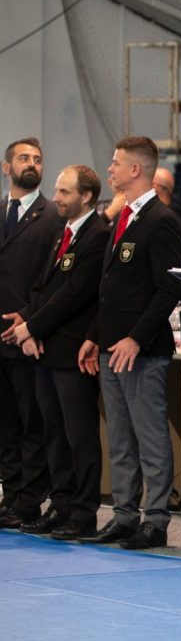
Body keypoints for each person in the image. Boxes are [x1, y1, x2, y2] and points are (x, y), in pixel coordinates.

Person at [78, 136, 181, 550]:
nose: (110, 169)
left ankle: (155, 519)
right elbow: (110, 288)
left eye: (115, 163)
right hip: (111, 347)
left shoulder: (162, 220)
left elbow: (168, 288)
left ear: (135, 170)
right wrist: (95, 336)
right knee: (121, 438)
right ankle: (125, 514)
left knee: (149, 436)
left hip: (141, 351)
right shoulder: (124, 216)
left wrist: (136, 338)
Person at [6, 165, 108, 540]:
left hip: (73, 353)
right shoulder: (63, 231)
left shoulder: (98, 235)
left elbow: (74, 294)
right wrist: (29, 326)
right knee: (54, 434)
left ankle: (83, 512)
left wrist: (31, 328)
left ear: (86, 195)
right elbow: (42, 288)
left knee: (79, 436)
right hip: (46, 350)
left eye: (65, 192)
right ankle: (61, 504)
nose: (57, 198)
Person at [0, 137, 61, 529]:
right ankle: (11, 494)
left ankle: (29, 500)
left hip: (29, 333)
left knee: (31, 422)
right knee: (5, 423)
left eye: (38, 159)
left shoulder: (52, 215)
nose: (32, 164)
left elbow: (51, 278)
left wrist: (27, 318)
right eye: (24, 158)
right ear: (7, 167)